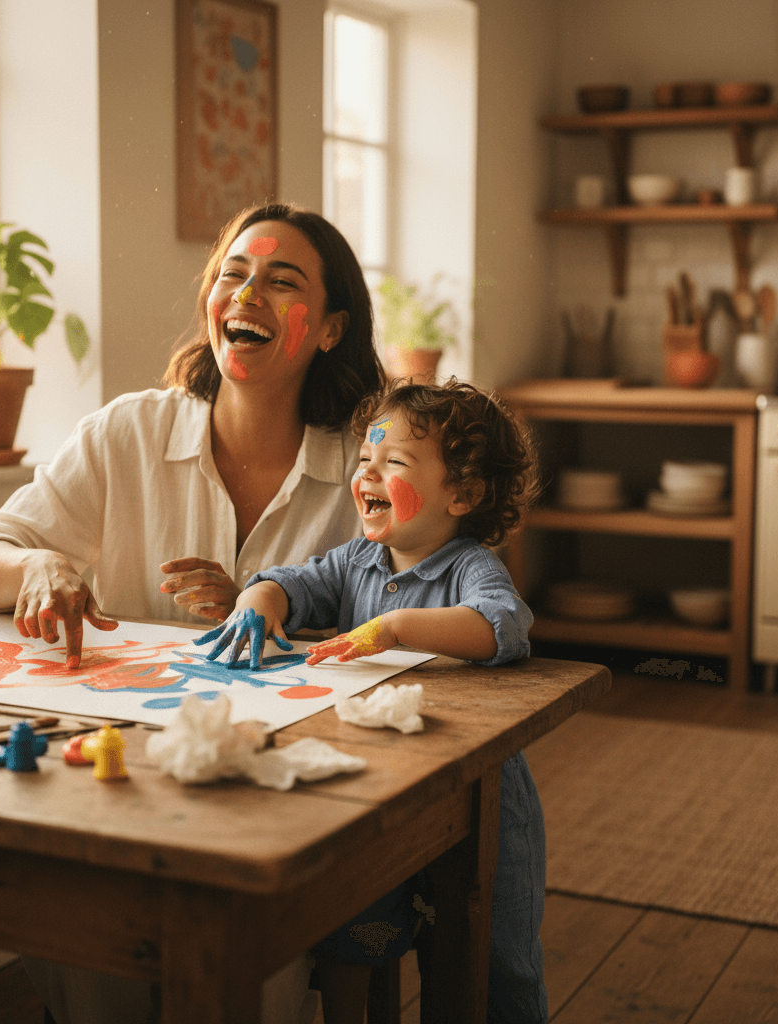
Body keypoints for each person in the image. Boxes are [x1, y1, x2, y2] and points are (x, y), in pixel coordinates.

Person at [0, 201, 385, 1024]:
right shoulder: (128, 434)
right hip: (121, 779)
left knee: (241, 952)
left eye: (281, 281)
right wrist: (38, 563)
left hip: (294, 791)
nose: (247, 293)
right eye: (232, 274)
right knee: (84, 928)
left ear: (328, 330)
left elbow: (420, 612)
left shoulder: (370, 461)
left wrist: (287, 623)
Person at [196, 378, 548, 1024]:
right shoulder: (358, 560)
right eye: (365, 460)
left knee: (484, 966)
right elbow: (289, 582)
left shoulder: (468, 567)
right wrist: (257, 603)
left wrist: (395, 627)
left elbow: (504, 627)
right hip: (378, 799)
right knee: (356, 935)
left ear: (462, 493)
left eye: (395, 464)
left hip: (480, 805)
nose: (369, 474)